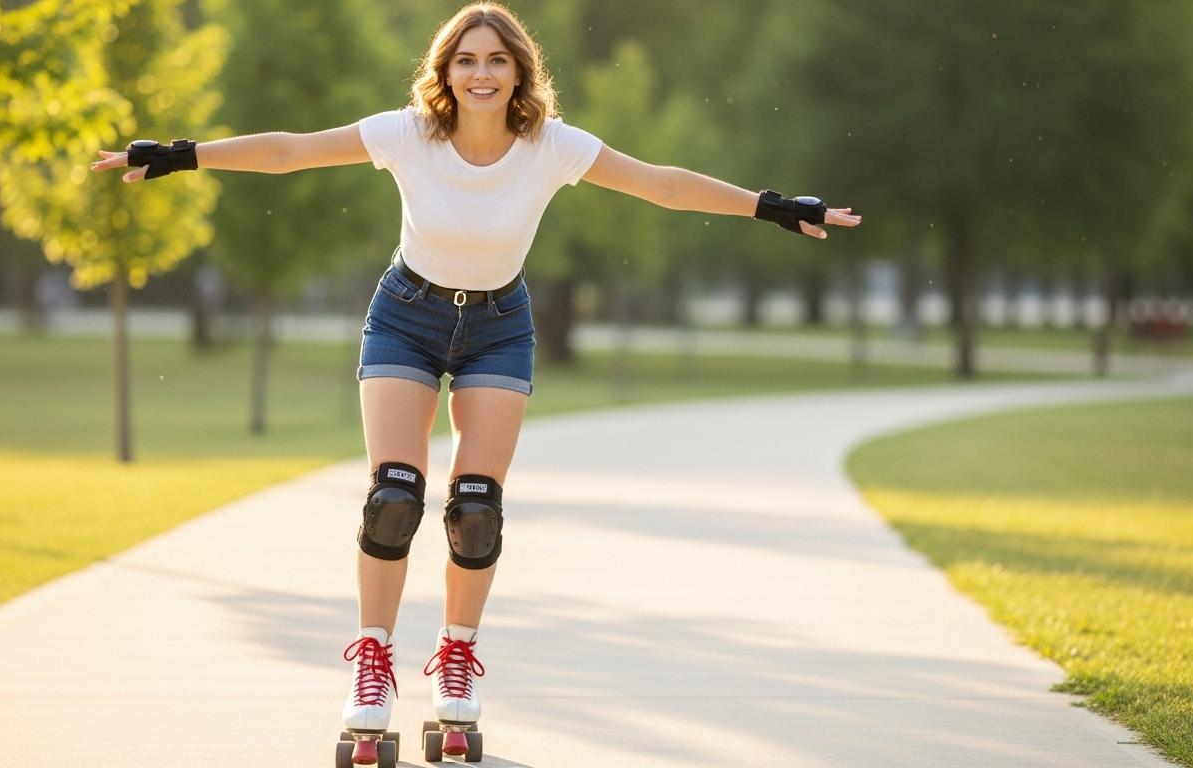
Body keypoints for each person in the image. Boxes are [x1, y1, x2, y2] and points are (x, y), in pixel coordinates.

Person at [93, 2, 859, 762]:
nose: (481, 73)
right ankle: (372, 664)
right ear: (446, 71)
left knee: (476, 510)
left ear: (520, 71)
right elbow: (291, 152)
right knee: (394, 498)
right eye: (466, 60)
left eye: (497, 60)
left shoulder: (551, 145)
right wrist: (183, 156)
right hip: (405, 316)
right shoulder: (408, 133)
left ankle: (456, 656)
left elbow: (662, 185)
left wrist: (771, 207)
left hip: (500, 325)